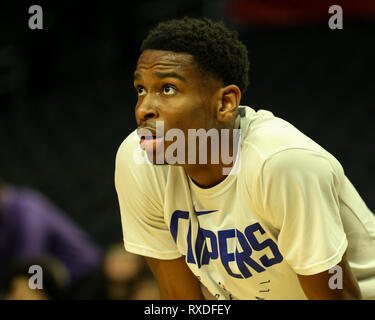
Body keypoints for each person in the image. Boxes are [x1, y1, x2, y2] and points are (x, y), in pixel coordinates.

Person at [114, 17, 375, 300]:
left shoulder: (281, 164)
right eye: (141, 89)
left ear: (225, 103)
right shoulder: (138, 162)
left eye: (168, 89)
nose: (144, 109)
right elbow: (180, 298)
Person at [0, 179, 103, 297]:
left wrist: (32, 292)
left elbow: (33, 263)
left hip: (85, 278)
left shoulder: (27, 208)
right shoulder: (6, 214)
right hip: (57, 281)